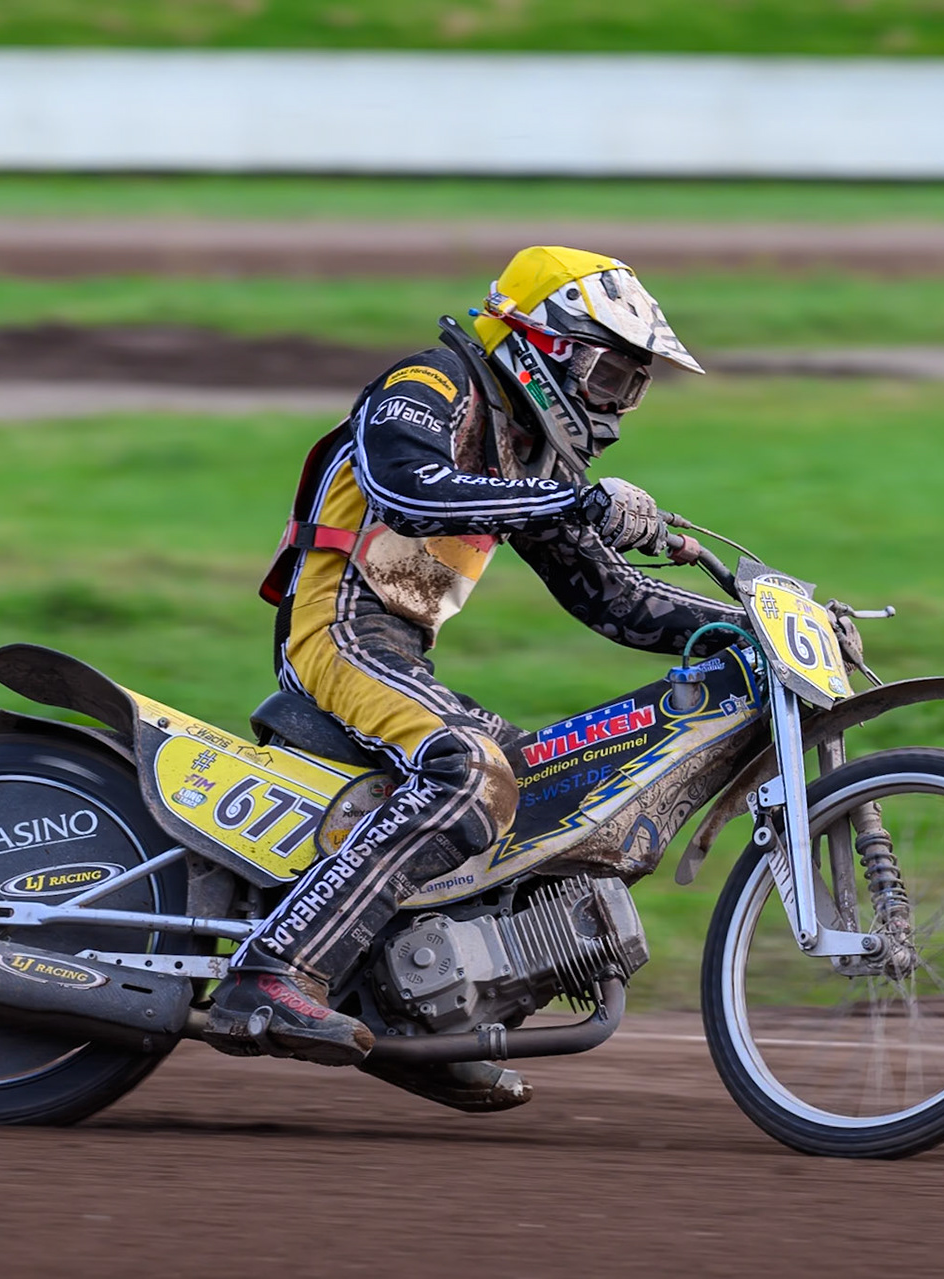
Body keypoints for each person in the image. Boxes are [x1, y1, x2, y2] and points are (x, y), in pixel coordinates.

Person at [205, 246, 748, 1111]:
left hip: (397, 649)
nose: (616, 403)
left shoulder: (534, 454)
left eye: (632, 385)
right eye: (611, 373)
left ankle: (419, 1020)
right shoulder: (432, 382)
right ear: (544, 342)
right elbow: (411, 490)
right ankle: (271, 971)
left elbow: (607, 595)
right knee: (472, 767)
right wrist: (575, 502)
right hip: (338, 629)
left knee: (529, 784)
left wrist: (741, 625)